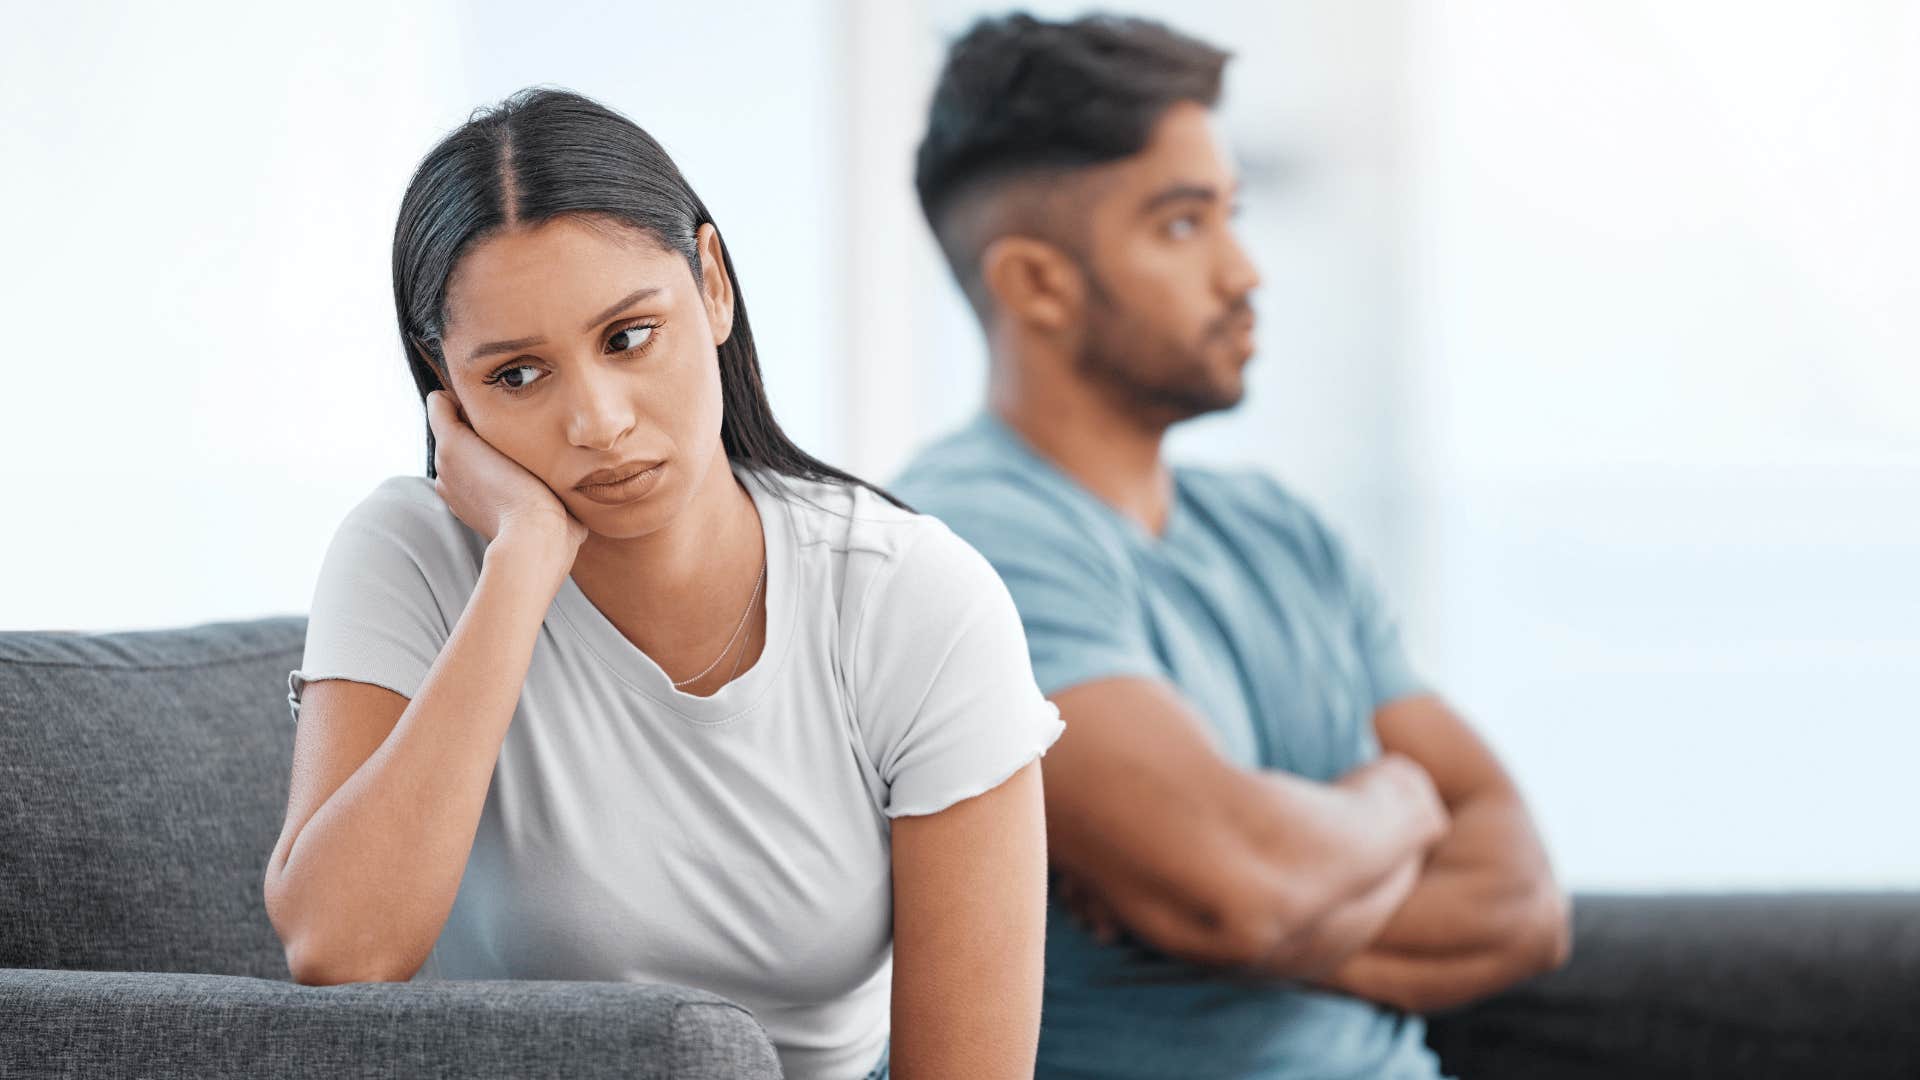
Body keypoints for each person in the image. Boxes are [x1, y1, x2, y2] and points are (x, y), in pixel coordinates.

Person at [263, 87, 1064, 1080]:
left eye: (629, 337)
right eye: (517, 375)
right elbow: (340, 950)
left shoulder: (912, 599)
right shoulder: (409, 556)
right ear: (446, 385)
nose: (597, 422)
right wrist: (519, 564)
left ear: (713, 285)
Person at [892, 14, 1571, 1080]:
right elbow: (1236, 884)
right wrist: (1393, 803)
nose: (1243, 272)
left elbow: (1522, 901)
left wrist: (1271, 913)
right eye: (1181, 226)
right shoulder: (959, 548)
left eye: (1232, 216)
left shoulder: (1279, 532)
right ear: (1036, 284)